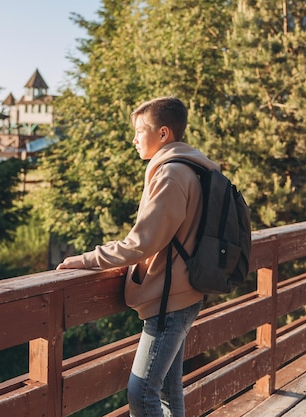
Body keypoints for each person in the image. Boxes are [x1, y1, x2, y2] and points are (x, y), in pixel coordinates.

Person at [56, 96, 219, 417]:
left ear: (163, 134)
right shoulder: (194, 167)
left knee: (142, 391)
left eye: (140, 130)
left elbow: (141, 243)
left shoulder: (172, 175)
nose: (134, 139)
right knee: (169, 389)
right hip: (184, 292)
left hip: (168, 301)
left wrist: (86, 259)